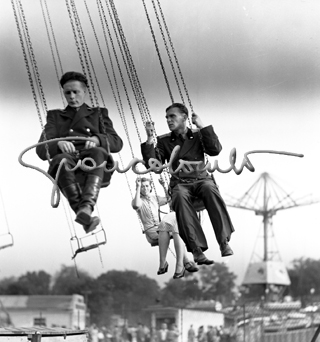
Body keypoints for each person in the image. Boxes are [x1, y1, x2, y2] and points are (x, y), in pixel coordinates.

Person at [141, 103, 234, 265]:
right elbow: (154, 166)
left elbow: (215, 150)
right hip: (180, 183)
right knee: (180, 198)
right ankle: (196, 249)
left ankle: (223, 241)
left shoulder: (198, 135)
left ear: (184, 117)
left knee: (210, 190)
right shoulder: (164, 141)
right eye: (167, 118)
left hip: (201, 179)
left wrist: (203, 127)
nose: (169, 120)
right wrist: (150, 139)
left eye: (172, 116)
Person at [36, 71, 123, 233]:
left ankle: (85, 207)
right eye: (67, 93)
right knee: (61, 159)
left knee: (98, 152)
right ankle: (84, 212)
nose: (72, 96)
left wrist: (98, 139)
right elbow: (41, 150)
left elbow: (117, 143)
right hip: (68, 167)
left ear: (85, 91)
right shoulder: (55, 117)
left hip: (95, 165)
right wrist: (58, 143)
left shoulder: (98, 113)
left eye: (76, 92)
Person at [132, 177, 198, 278]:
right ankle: (185, 262)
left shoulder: (155, 198)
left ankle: (181, 262)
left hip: (162, 228)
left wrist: (163, 185)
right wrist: (138, 186)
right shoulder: (139, 201)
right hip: (152, 231)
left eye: (146, 186)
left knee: (177, 228)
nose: (144, 188)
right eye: (142, 187)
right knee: (174, 224)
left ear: (150, 187)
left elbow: (169, 199)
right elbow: (136, 205)